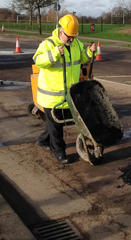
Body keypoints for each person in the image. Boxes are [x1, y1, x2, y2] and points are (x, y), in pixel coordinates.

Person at [33, 14, 97, 164]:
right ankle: (59, 152)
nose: (71, 40)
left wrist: (89, 52)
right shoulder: (48, 44)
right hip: (51, 96)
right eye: (69, 37)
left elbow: (82, 59)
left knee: (57, 122)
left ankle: (43, 141)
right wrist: (54, 54)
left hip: (69, 95)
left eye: (74, 37)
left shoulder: (76, 44)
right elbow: (38, 60)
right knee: (56, 126)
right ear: (61, 32)